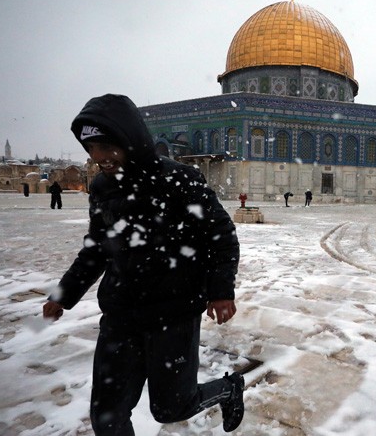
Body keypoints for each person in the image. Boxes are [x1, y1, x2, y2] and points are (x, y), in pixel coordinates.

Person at [41, 94, 244, 435]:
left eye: (107, 146)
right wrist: (64, 294)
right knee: (107, 416)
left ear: (129, 139)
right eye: (91, 148)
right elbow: (96, 249)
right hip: (121, 315)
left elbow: (221, 236)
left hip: (173, 313)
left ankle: (228, 389)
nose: (98, 158)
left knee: (171, 408)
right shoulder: (103, 188)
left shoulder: (180, 180)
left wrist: (221, 291)